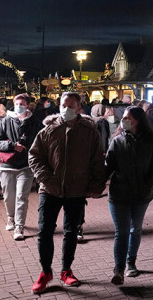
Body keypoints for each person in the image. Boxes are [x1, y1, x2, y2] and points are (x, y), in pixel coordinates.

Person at [28, 92, 105, 294]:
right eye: (63, 105)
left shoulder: (89, 131)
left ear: (79, 108)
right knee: (44, 231)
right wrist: (45, 177)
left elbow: (97, 160)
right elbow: (35, 155)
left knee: (71, 232)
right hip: (50, 189)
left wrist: (97, 184)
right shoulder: (48, 129)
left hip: (76, 190)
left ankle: (66, 270)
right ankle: (45, 272)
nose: (66, 109)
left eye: (71, 106)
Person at [105, 106, 153, 285]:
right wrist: (96, 184)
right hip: (119, 192)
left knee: (135, 229)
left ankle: (131, 263)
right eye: (124, 117)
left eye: (128, 118)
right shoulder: (117, 140)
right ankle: (118, 269)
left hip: (141, 194)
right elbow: (109, 166)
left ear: (138, 120)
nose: (124, 120)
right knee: (121, 232)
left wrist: (148, 185)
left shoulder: (150, 141)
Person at [0, 93, 44, 240]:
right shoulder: (6, 121)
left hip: (26, 166)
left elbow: (41, 141)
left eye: (22, 104)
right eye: (16, 103)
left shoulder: (34, 122)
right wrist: (12, 145)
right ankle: (10, 217)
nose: (19, 106)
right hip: (7, 165)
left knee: (22, 196)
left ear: (28, 105)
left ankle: (19, 226)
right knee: (9, 196)